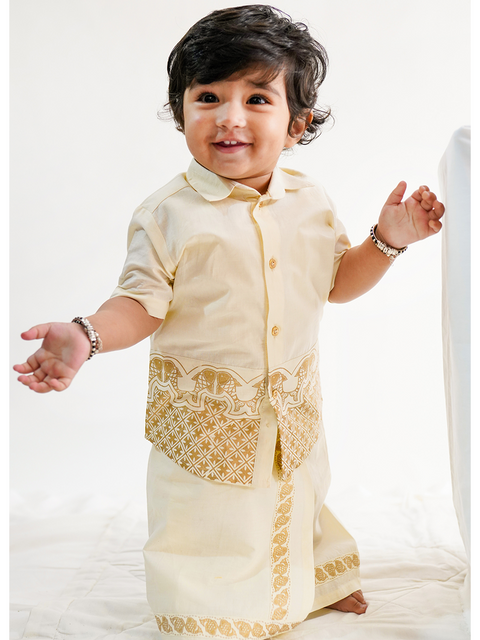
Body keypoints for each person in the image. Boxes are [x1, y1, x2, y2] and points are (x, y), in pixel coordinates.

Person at [14, 5, 444, 638]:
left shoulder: (310, 200)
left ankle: (311, 580)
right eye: (209, 97)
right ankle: (213, 616)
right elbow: (139, 303)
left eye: (257, 98)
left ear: (297, 124)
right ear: (181, 111)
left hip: (290, 406)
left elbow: (335, 284)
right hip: (209, 417)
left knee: (299, 496)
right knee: (210, 526)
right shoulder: (168, 215)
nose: (230, 117)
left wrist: (388, 240)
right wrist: (88, 333)